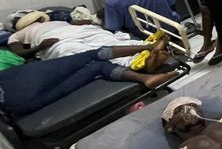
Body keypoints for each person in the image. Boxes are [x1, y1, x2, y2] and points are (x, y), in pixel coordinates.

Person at [0, 47, 177, 119]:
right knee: (91, 55)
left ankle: (147, 78)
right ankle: (149, 47)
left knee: (95, 67)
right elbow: (19, 56)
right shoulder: (18, 34)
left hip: (15, 107)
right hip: (11, 81)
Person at [7, 11, 171, 72]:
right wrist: (40, 46)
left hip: (74, 35)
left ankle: (145, 58)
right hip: (62, 41)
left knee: (105, 45)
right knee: (102, 48)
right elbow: (18, 53)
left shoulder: (52, 22)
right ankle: (146, 54)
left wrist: (88, 21)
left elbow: (79, 23)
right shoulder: (18, 35)